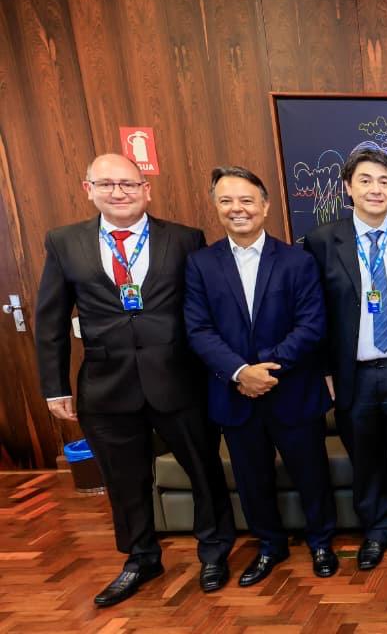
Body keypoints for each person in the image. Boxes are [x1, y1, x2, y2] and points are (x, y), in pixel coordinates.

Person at [35, 154, 235, 606]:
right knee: (124, 482)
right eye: (107, 184)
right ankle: (140, 558)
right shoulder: (65, 242)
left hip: (179, 381)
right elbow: (50, 320)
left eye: (128, 183)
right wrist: (54, 385)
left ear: (146, 189)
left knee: (204, 471)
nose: (118, 192)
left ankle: (214, 551)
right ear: (88, 189)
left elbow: (205, 309)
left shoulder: (184, 239)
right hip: (106, 386)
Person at [184, 167, 338, 585]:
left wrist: (266, 368)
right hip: (235, 394)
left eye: (247, 200)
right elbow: (198, 330)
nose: (238, 209)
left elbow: (312, 325)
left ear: (265, 206)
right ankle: (270, 546)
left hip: (293, 389)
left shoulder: (298, 261)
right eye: (227, 201)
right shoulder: (200, 264)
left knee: (311, 473)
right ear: (216, 207)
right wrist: (240, 373)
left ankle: (321, 542)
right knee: (252, 479)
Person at [303, 147, 387, 570]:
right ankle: (376, 532)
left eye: (384, 181)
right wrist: (325, 369)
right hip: (352, 374)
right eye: (365, 180)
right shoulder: (323, 241)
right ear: (348, 187)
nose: (375, 189)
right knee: (364, 459)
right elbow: (314, 313)